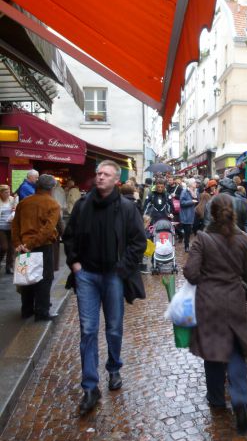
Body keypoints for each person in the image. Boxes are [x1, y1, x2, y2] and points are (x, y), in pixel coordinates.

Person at [63, 160, 146, 415]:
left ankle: (113, 368)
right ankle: (90, 386)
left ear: (116, 180)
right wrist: (74, 263)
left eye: (105, 174)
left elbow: (138, 242)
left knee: (114, 328)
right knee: (88, 330)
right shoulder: (82, 205)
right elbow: (70, 236)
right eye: (98, 173)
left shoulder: (126, 208)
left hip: (113, 276)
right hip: (86, 274)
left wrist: (122, 269)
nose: (99, 177)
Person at [184, 194, 247, 433]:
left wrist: (207, 278)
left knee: (214, 351)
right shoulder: (243, 240)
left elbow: (191, 273)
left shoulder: (202, 239)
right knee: (235, 351)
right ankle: (239, 400)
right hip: (234, 300)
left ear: (211, 213)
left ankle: (216, 398)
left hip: (209, 302)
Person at [11, 174, 60, 320]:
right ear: (51, 188)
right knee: (45, 278)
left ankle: (26, 310)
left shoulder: (24, 202)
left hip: (23, 245)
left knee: (26, 277)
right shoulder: (52, 204)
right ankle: (41, 311)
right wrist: (30, 245)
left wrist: (19, 244)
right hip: (42, 246)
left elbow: (15, 225)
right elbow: (48, 229)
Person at [0, 184, 16, 274]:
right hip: (1, 227)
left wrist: (13, 215)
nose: (8, 194)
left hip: (11, 226)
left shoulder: (12, 199)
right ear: (1, 193)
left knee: (11, 248)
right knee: (4, 247)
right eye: (5, 192)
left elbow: (15, 210)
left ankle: (9, 267)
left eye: (9, 192)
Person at [180, 178, 198, 251]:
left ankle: (191, 245)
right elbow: (182, 203)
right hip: (186, 215)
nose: (195, 184)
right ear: (191, 184)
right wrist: (191, 201)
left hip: (193, 214)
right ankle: (186, 246)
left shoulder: (195, 192)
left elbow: (197, 201)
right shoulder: (185, 191)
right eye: (194, 183)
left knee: (191, 231)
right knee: (187, 232)